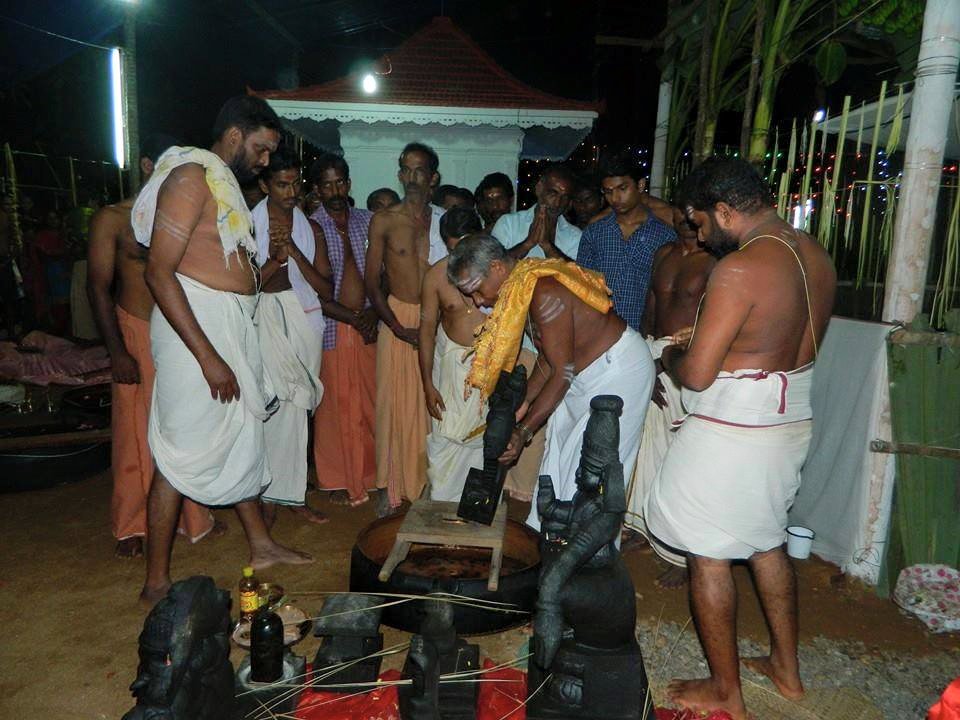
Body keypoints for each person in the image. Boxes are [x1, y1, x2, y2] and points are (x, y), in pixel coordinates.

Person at [645, 158, 835, 720]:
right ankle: (786, 669)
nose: (700, 235)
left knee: (708, 552)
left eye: (701, 223)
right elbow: (772, 345)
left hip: (738, 429)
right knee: (765, 539)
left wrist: (677, 350)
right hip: (789, 420)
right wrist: (713, 341)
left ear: (725, 210)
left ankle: (726, 690)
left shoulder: (741, 268)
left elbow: (698, 375)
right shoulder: (815, 254)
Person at [132, 95, 312, 607]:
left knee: (241, 435)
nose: (264, 160)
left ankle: (261, 543)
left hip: (228, 323)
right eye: (260, 149)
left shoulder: (220, 182)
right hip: (195, 331)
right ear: (234, 136)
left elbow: (221, 260)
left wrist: (263, 275)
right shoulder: (191, 177)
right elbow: (158, 272)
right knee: (181, 450)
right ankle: (157, 578)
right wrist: (209, 356)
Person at [447, 234, 655, 531]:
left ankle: (584, 556)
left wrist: (523, 431)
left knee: (593, 471)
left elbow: (561, 371)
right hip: (580, 373)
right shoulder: (522, 288)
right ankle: (549, 537)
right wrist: (520, 407)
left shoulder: (543, 291)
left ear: (496, 268)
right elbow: (547, 360)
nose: (478, 302)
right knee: (559, 452)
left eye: (476, 290)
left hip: (619, 371)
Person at [87, 134, 218, 559]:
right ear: (147, 165)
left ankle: (193, 516)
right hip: (134, 329)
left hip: (178, 330)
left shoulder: (184, 216)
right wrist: (117, 351)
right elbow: (98, 288)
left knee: (184, 424)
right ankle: (131, 523)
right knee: (132, 431)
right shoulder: (112, 219)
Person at [623, 205, 716, 587]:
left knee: (680, 457)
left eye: (695, 213)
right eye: (681, 211)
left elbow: (712, 322)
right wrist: (645, 360)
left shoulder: (718, 262)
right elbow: (650, 308)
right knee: (644, 445)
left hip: (685, 359)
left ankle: (680, 552)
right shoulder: (663, 253)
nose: (686, 220)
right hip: (652, 353)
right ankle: (641, 526)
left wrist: (668, 362)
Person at [365, 142, 447, 510]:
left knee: (432, 408)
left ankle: (428, 485)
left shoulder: (446, 222)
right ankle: (390, 486)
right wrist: (398, 328)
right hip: (398, 319)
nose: (411, 178)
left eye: (419, 171)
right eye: (406, 170)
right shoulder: (385, 220)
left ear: (434, 178)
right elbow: (372, 283)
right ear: (399, 174)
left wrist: (436, 326)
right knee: (392, 406)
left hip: (439, 322)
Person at [252, 148, 330, 526]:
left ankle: (294, 494)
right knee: (272, 404)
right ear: (265, 185)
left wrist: (294, 252)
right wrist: (273, 259)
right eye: (281, 184)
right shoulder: (246, 226)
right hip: (265, 318)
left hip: (303, 318)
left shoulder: (309, 226)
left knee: (299, 409)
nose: (291, 191)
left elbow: (325, 287)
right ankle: (267, 494)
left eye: (295, 183)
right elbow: (245, 287)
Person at [309, 153, 379, 507]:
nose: (335, 190)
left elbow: (383, 276)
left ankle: (369, 474)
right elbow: (312, 291)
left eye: (340, 182)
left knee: (368, 404)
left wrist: (374, 316)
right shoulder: (309, 227)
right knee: (334, 407)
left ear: (348, 184)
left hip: (368, 328)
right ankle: (336, 478)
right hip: (331, 329)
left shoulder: (368, 222)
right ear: (317, 189)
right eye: (327, 184)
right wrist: (353, 317)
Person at [419, 207, 485, 501]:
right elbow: (426, 331)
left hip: (488, 369)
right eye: (453, 249)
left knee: (484, 442)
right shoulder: (435, 276)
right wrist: (427, 385)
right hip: (448, 370)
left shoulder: (498, 272)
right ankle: (442, 507)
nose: (460, 258)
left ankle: (474, 510)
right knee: (445, 437)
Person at [576, 151, 676, 333]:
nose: (615, 198)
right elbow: (582, 287)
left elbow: (667, 296)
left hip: (643, 336)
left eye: (623, 189)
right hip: (597, 335)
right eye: (608, 192)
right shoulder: (595, 232)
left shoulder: (664, 235)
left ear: (640, 185)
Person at [492, 163, 581, 261]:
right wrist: (528, 244)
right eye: (552, 193)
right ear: (539, 189)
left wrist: (547, 246)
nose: (557, 203)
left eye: (565, 197)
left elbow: (577, 274)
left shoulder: (575, 236)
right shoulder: (508, 224)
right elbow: (493, 267)